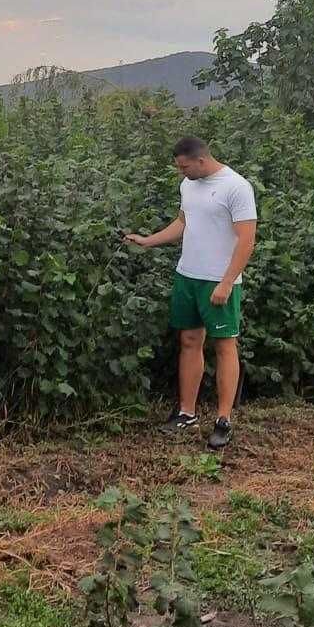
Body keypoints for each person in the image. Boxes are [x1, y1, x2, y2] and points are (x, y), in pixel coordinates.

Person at [125, 135, 257, 447]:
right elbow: (183, 223)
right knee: (189, 340)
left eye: (185, 167)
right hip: (188, 275)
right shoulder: (188, 185)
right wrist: (148, 239)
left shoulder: (236, 187)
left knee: (224, 345)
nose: (181, 172)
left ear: (201, 160)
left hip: (218, 280)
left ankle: (223, 420)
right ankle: (187, 413)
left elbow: (247, 239)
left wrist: (226, 282)